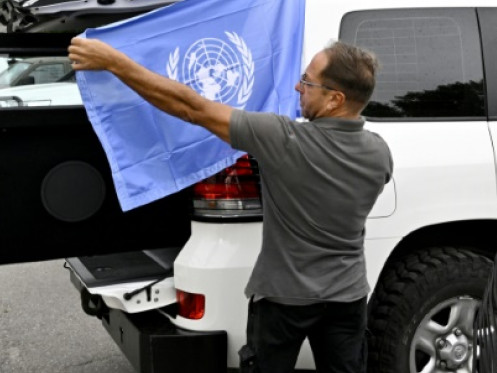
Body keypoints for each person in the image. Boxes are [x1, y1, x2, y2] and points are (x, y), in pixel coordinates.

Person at [68, 37, 393, 373]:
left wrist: (112, 61)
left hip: (283, 301)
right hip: (348, 299)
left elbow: (190, 107)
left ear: (335, 99)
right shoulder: (379, 153)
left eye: (308, 82)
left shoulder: (284, 139)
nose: (298, 86)